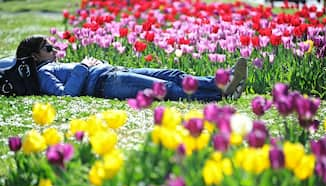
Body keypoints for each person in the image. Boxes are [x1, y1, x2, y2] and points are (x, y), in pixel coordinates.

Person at [15, 35, 247, 101]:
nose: (54, 49)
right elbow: (66, 94)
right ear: (35, 56)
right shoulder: (43, 73)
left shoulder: (52, 65)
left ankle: (222, 81)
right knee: (164, 87)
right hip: (107, 84)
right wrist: (84, 66)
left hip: (115, 72)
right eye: (48, 47)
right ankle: (220, 93)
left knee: (173, 74)